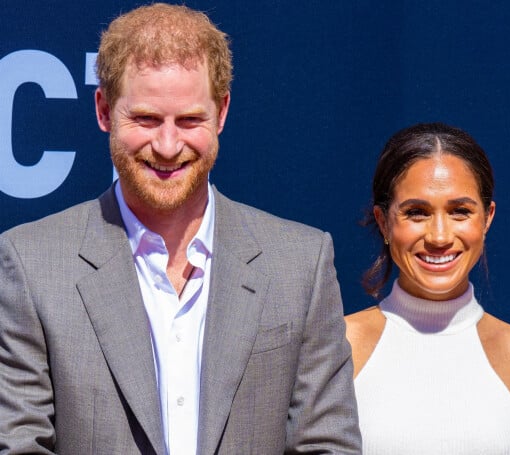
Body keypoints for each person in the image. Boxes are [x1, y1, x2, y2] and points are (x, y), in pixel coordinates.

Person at [0, 4, 361, 454]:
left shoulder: (300, 264)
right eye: (146, 119)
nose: (168, 146)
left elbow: (327, 445)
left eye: (189, 121)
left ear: (222, 112)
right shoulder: (32, 265)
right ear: (104, 110)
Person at [345, 122, 510, 454]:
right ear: (384, 222)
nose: (439, 236)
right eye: (416, 213)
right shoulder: (334, 350)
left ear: (487, 218)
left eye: (460, 212)